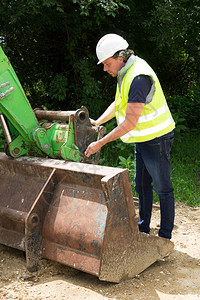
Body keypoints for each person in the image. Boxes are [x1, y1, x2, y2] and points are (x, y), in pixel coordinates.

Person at [85, 33, 175, 239]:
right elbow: (119, 104)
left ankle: (164, 237)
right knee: (142, 185)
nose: (105, 68)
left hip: (158, 138)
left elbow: (130, 122)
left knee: (163, 188)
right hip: (142, 138)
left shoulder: (139, 78)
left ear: (120, 57)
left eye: (107, 64)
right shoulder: (125, 71)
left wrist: (101, 143)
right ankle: (142, 230)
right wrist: (98, 121)